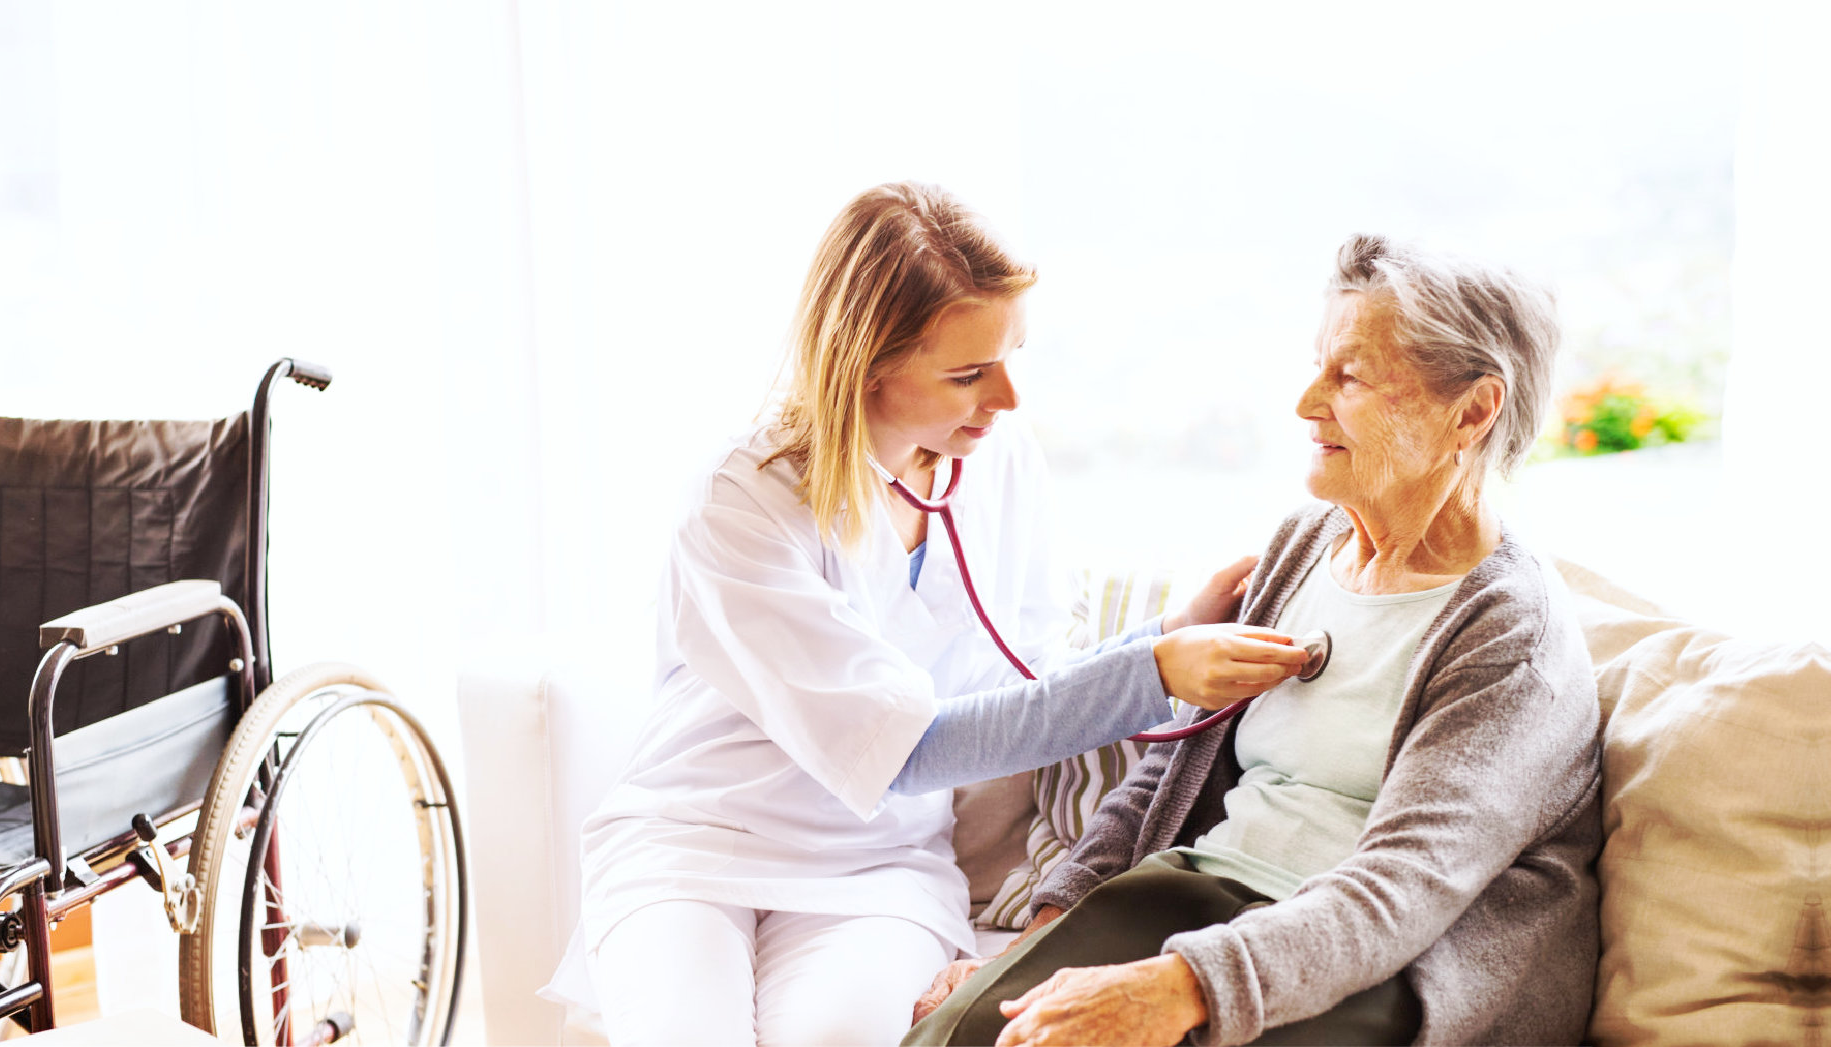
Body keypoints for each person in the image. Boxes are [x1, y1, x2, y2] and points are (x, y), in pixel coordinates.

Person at [542, 181, 1314, 1046]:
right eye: (968, 373)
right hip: (696, 843)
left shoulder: (1000, 458)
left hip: (876, 861)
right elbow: (912, 748)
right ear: (866, 366)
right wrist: (1153, 672)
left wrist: (1163, 636)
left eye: (1013, 354)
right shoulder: (743, 499)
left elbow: (1025, 675)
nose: (1009, 398)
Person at [909, 234, 1602, 1046]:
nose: (1308, 402)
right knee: (958, 1036)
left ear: (1474, 411)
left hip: (1389, 963)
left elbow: (1405, 887)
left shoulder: (1511, 636)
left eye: (1349, 376)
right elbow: (1170, 771)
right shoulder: (1303, 547)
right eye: (1319, 364)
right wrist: (1044, 934)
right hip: (1198, 900)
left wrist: (1179, 988)